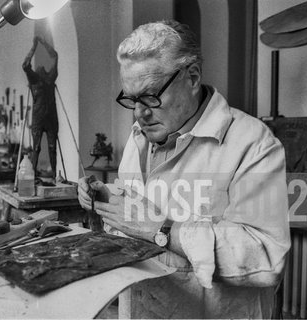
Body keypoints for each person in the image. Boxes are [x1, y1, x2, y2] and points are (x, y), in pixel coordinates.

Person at [78, 20, 290, 319]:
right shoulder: (139, 135)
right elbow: (138, 208)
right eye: (132, 99)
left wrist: (160, 228)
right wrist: (105, 198)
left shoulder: (252, 143)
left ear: (192, 77)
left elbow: (266, 257)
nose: (140, 112)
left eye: (152, 95)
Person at [22, 36, 59, 179]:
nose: (41, 67)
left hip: (51, 117)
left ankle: (55, 175)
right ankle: (32, 176)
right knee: (36, 148)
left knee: (52, 148)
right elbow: (25, 65)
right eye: (39, 68)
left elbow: (55, 56)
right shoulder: (34, 80)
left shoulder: (50, 79)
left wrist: (44, 42)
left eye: (43, 68)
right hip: (38, 118)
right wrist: (34, 46)